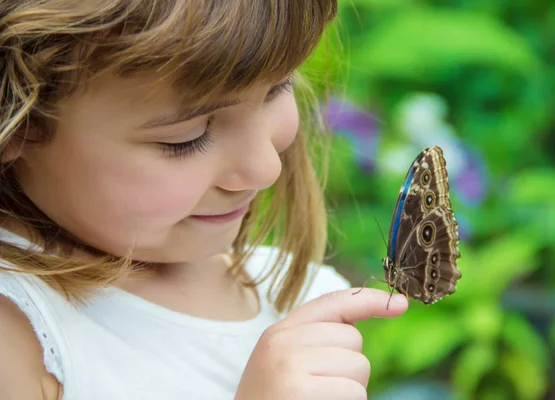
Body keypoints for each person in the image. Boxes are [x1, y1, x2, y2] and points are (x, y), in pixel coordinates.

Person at [0, 1, 409, 399]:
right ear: (17, 118)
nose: (267, 168)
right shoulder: (20, 341)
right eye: (186, 138)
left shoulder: (295, 294)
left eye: (277, 88)